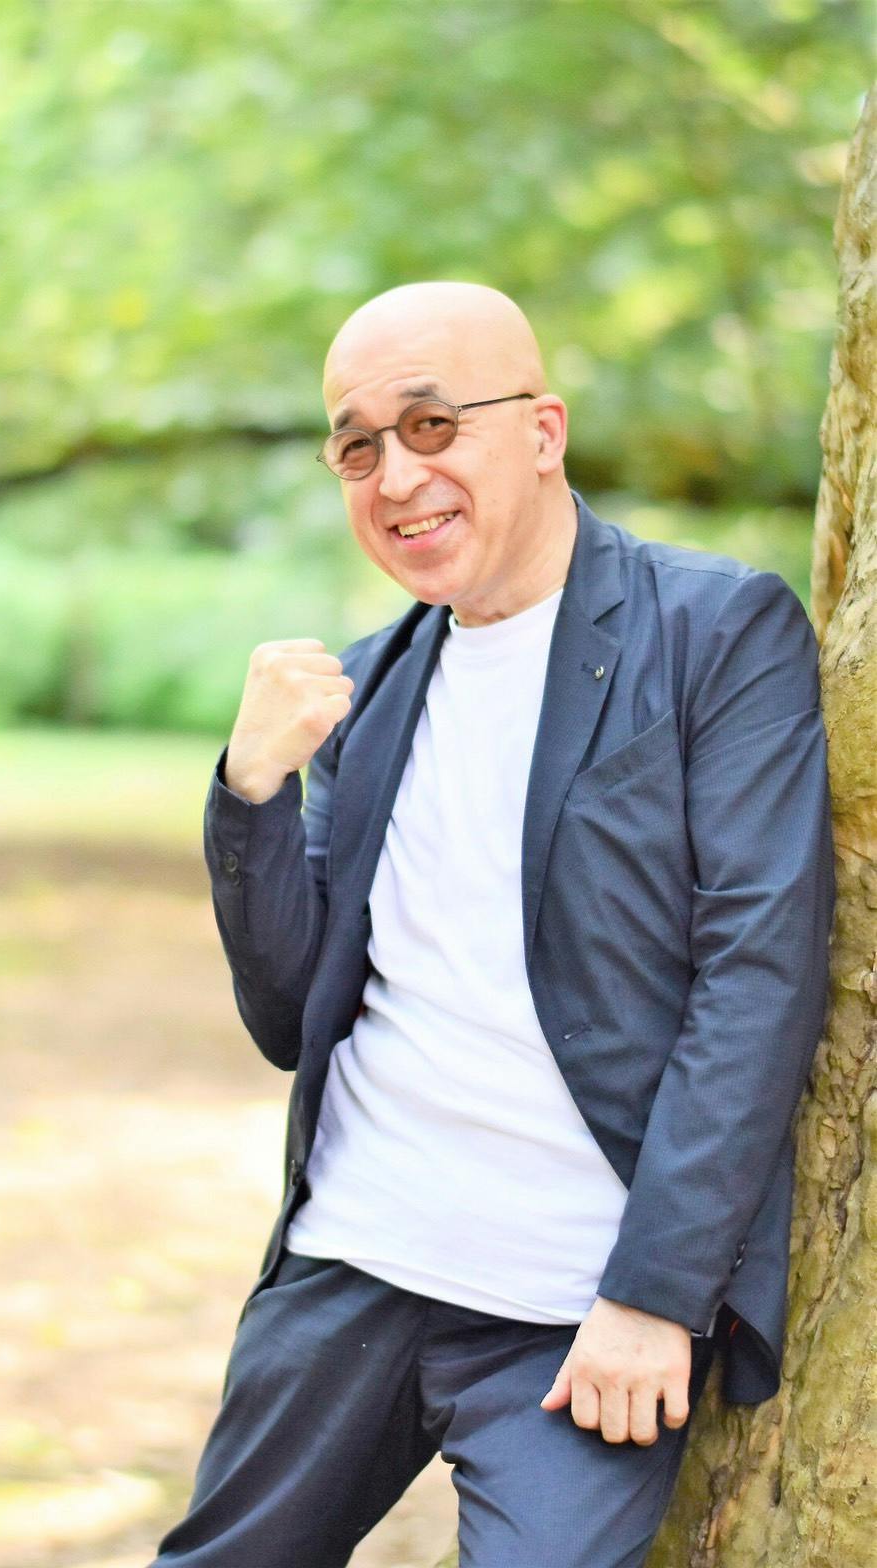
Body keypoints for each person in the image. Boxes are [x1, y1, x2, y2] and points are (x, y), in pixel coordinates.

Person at [148, 282, 835, 1567]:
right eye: (357, 446)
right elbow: (291, 1013)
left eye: (430, 425)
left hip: (573, 1315)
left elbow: (757, 975)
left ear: (541, 430)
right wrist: (249, 789)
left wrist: (655, 1292)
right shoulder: (368, 687)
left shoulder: (713, 631)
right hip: (349, 1264)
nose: (396, 476)